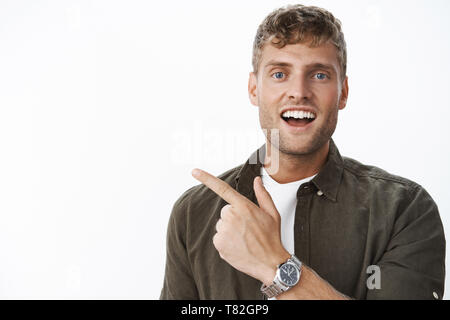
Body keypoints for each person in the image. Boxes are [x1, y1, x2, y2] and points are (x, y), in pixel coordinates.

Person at [160, 4, 445, 300]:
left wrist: (275, 263)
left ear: (343, 92)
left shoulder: (405, 210)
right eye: (280, 73)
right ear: (254, 88)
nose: (299, 91)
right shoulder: (194, 214)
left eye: (319, 75)